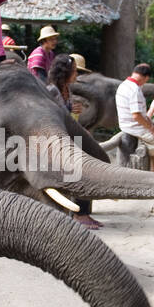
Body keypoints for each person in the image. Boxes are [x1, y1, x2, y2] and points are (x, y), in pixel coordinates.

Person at [46, 53, 102, 229]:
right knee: (80, 173)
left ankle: (84, 213)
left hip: (71, 138)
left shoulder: (67, 90)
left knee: (88, 171)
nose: (77, 75)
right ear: (65, 72)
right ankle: (79, 214)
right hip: (59, 142)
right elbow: (54, 116)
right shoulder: (52, 91)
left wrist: (71, 109)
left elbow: (66, 114)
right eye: (74, 71)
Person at [115, 63, 154, 175]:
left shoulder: (123, 85)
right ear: (146, 77)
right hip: (135, 127)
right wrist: (152, 129)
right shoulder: (135, 90)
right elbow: (136, 115)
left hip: (125, 124)